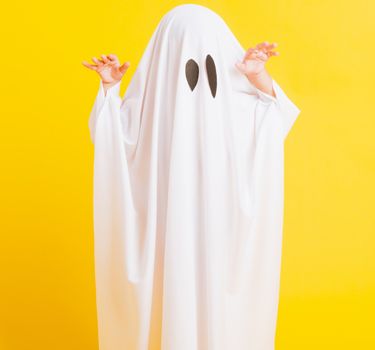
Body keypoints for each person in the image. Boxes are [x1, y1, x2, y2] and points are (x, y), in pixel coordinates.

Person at [82, 4, 300, 350]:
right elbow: (112, 140)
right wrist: (109, 91)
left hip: (220, 232)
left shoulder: (233, 110)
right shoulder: (148, 110)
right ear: (163, 64)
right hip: (165, 235)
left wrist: (258, 78)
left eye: (209, 63)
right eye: (183, 64)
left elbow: (274, 117)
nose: (195, 82)